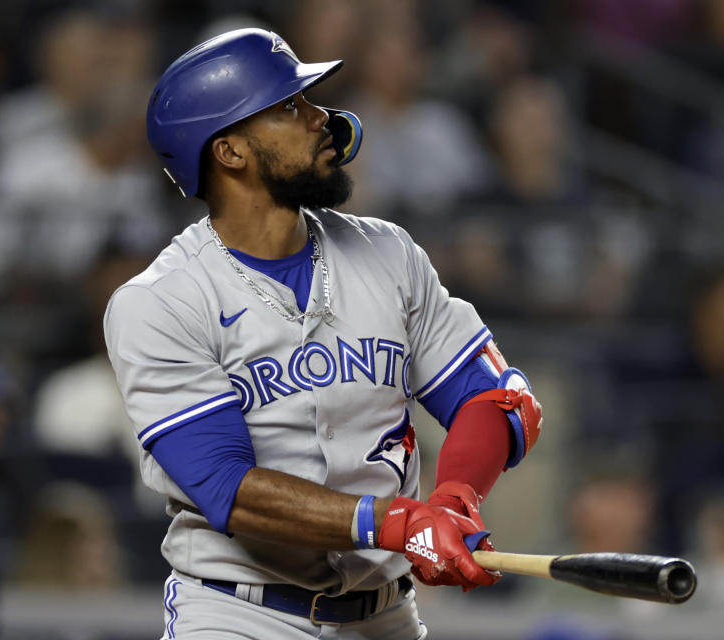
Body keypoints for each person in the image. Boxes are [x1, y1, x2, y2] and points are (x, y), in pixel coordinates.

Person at [104, 28, 543, 639]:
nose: (322, 119)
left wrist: (454, 500)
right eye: (290, 107)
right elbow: (228, 489)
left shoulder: (387, 253)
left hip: (383, 614)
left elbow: (492, 398)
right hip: (239, 614)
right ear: (230, 152)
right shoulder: (160, 302)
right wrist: (395, 524)